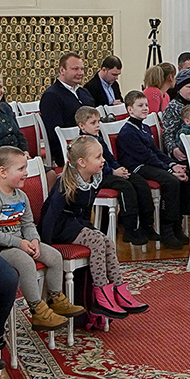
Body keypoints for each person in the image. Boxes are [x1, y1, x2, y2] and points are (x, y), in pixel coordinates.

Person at [45, 136, 146, 318]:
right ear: (82, 162)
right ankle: (101, 295)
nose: (103, 160)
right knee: (98, 241)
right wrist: (45, 244)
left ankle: (118, 289)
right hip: (60, 228)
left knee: (107, 241)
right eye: (98, 157)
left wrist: (90, 228)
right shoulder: (67, 182)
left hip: (76, 223)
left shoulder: (94, 178)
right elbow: (51, 215)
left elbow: (86, 210)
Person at [0, 146, 72, 330]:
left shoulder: (21, 196)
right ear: (2, 172)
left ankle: (55, 297)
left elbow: (28, 223)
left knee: (54, 256)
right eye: (20, 169)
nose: (26, 173)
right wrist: (19, 243)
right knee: (25, 262)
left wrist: (34, 240)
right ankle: (37, 310)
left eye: (25, 168)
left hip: (21, 241)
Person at [109, 92, 184, 249]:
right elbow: (146, 157)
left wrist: (172, 164)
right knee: (171, 181)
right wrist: (169, 172)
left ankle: (177, 224)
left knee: (184, 178)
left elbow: (155, 152)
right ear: (130, 110)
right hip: (136, 168)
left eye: (146, 105)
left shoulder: (144, 127)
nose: (145, 109)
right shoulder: (128, 132)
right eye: (140, 105)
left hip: (148, 163)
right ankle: (167, 228)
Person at [39, 55, 91, 148]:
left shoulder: (84, 92)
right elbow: (55, 135)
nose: (80, 73)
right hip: (72, 149)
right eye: (75, 69)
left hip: (90, 143)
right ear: (62, 70)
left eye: (82, 69)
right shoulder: (51, 96)